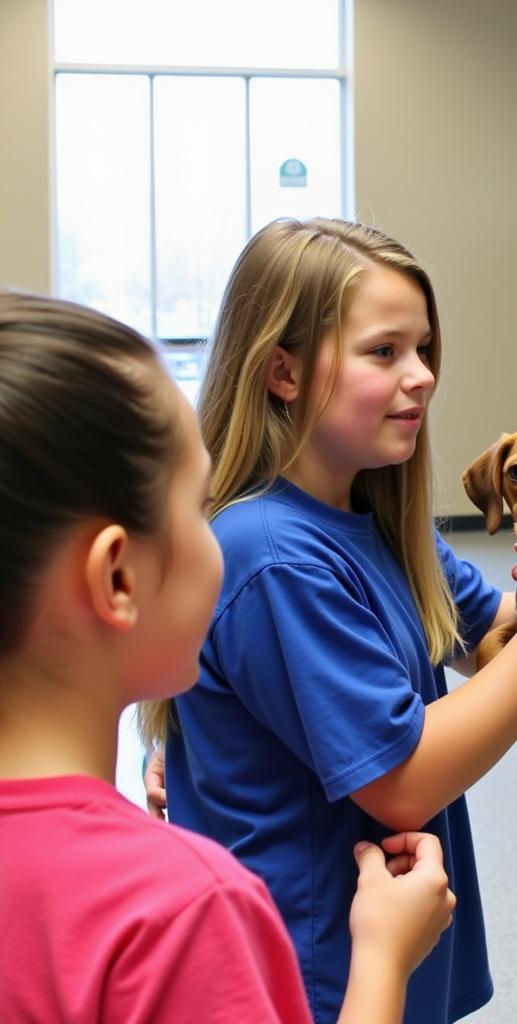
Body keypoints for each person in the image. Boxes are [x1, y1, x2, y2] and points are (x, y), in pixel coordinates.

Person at [138, 217, 517, 1024]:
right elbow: (402, 782)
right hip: (315, 963)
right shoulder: (273, 554)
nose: (423, 375)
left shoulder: (374, 515)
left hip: (392, 938)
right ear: (283, 372)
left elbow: (487, 631)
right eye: (384, 352)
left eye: (424, 349)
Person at [0, 290, 459, 1023]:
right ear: (118, 578)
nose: (224, 537)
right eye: (200, 506)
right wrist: (383, 959)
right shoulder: (180, 910)